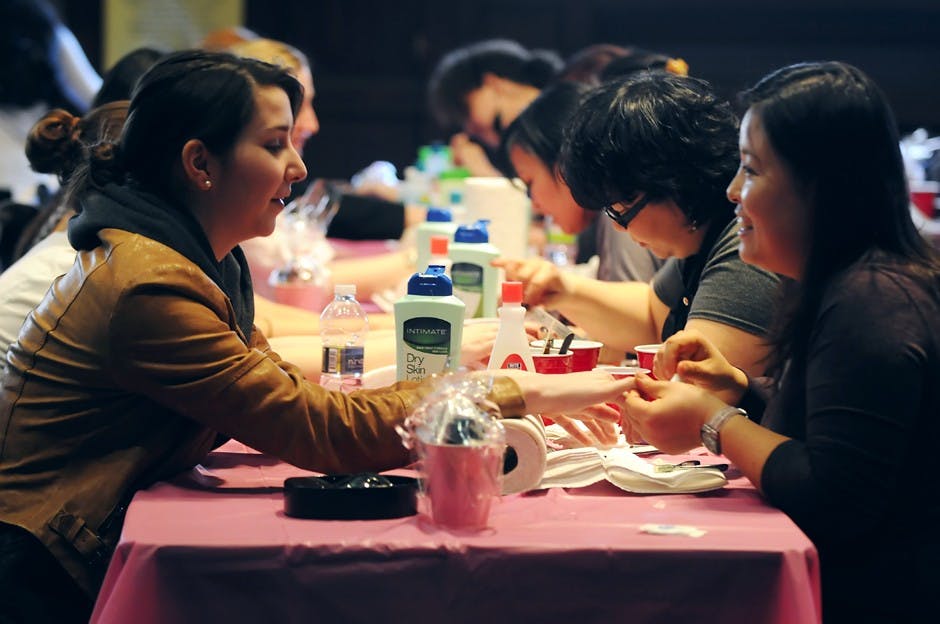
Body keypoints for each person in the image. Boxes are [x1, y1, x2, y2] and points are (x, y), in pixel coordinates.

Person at [0, 51, 633, 621]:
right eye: (276, 144)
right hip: (40, 572)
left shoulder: (185, 255)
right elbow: (328, 431)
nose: (299, 167)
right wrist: (508, 389)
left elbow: (279, 381)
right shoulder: (149, 287)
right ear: (200, 164)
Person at [620, 62, 940, 621]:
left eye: (751, 171)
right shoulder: (837, 281)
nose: (732, 192)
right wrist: (739, 391)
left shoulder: (873, 300)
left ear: (820, 187)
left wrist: (713, 422)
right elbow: (831, 430)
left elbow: (834, 497)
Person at [495, 73, 780, 376]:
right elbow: (651, 316)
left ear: (672, 184)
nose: (618, 228)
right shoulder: (701, 239)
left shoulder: (743, 249)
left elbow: (692, 392)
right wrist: (562, 289)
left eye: (620, 212)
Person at [501, 81, 663, 284]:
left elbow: (640, 312)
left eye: (530, 182)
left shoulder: (622, 207)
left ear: (564, 162)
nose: (534, 203)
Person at [428, 39, 563, 176]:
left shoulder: (568, 117)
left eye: (497, 124)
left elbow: (547, 196)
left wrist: (485, 174)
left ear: (494, 83)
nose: (496, 142)